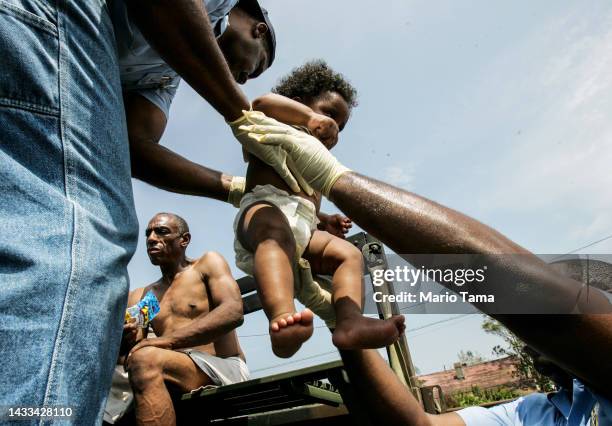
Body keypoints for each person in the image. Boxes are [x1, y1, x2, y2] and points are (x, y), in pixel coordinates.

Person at [235, 114, 612, 420]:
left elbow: (552, 311)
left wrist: (337, 180)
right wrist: (337, 316)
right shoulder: (534, 413)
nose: (529, 334)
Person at [234, 61, 405, 358]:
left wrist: (325, 221)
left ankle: (350, 322)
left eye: (341, 124)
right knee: (275, 234)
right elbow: (260, 103)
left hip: (303, 228)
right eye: (330, 113)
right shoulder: (273, 127)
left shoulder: (316, 160)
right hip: (263, 209)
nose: (335, 127)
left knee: (348, 254)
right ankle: (282, 317)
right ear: (297, 103)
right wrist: (309, 117)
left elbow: (305, 206)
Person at [112, 0, 277, 206]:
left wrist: (238, 189)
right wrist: (245, 117)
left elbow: (132, 149)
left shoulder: (165, 79)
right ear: (259, 30)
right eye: (257, 67)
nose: (242, 81)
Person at [120, 212, 248, 426]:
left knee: (145, 360)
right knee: (133, 369)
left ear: (184, 240)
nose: (151, 238)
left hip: (223, 368)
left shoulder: (205, 266)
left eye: (161, 232)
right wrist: (127, 337)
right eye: (148, 233)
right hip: (173, 372)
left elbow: (233, 311)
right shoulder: (150, 297)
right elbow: (135, 346)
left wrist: (167, 341)